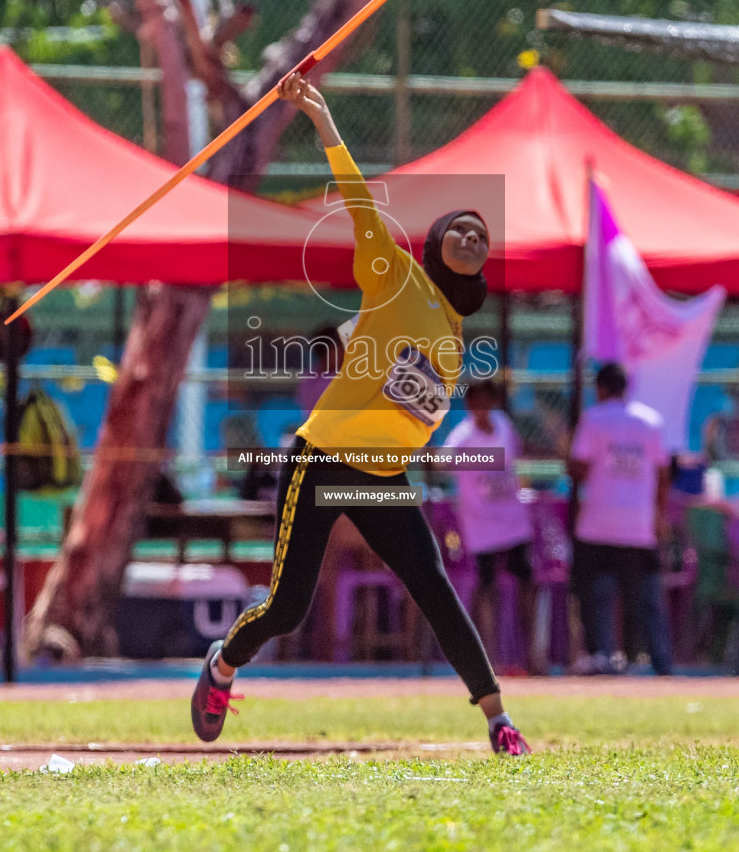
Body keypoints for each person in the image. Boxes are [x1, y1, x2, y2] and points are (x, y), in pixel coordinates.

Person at [190, 72, 529, 756]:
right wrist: (321, 118)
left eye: (479, 230)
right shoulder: (396, 273)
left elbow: (415, 411)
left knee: (432, 584)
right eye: (459, 225)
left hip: (379, 476)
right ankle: (223, 664)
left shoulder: (455, 340)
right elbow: (360, 204)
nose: (471, 229)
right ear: (434, 248)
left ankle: (498, 718)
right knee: (287, 609)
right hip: (321, 461)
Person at [566, 363, 674, 676]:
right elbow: (663, 474)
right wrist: (659, 516)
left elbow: (580, 467)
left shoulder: (593, 418)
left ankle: (603, 655)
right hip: (639, 525)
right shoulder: (650, 421)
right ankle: (657, 660)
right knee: (644, 595)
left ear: (600, 389)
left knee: (593, 592)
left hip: (597, 523)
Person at [441, 380, 540, 674]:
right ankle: (489, 659)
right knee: (487, 589)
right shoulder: (462, 435)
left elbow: (517, 454)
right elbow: (443, 462)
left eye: (487, 399)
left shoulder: (503, 424)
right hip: (481, 524)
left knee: (525, 583)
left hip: (512, 519)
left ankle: (532, 655)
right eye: (476, 401)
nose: (482, 407)